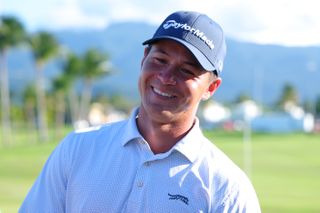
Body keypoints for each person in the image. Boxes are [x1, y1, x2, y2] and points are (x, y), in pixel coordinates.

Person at [20, 11, 261, 212]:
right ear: (144, 59)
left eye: (186, 70)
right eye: (160, 60)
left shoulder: (227, 187)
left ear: (211, 87)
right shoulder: (77, 149)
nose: (166, 77)